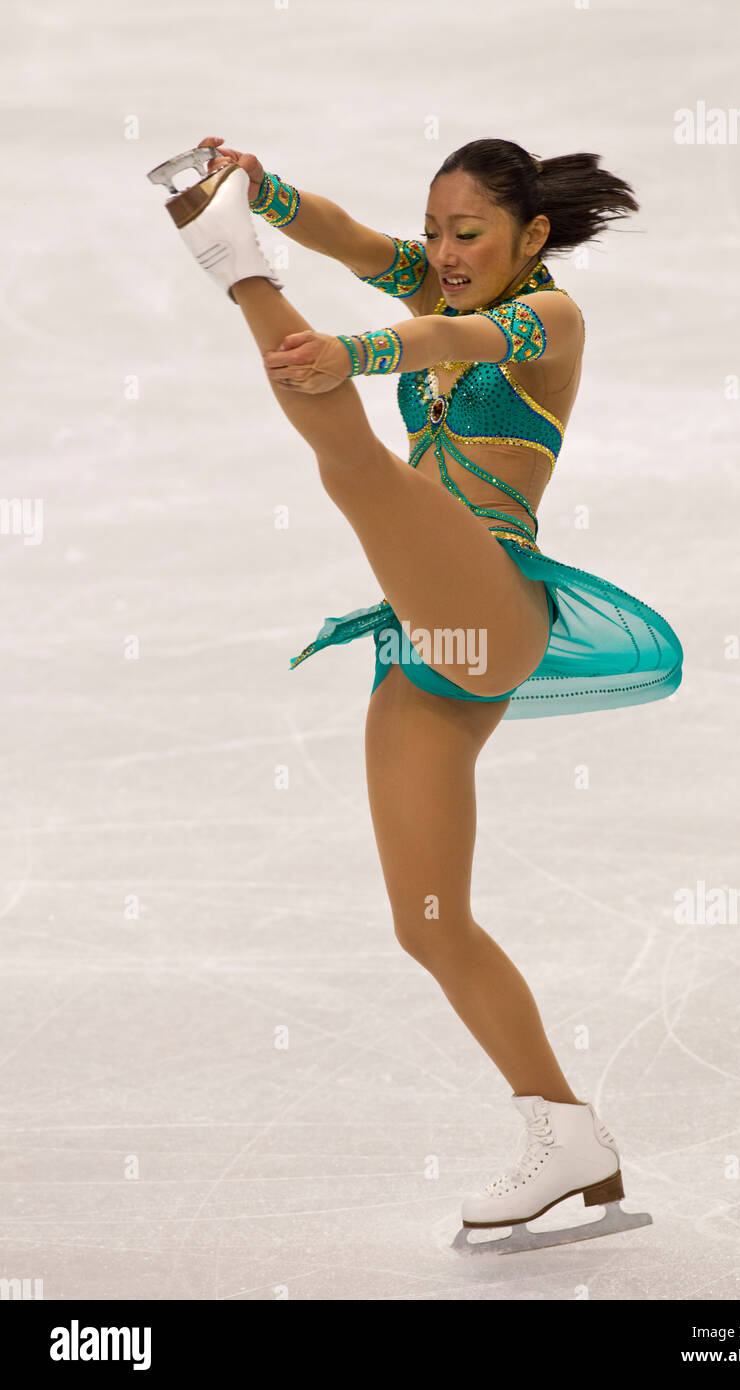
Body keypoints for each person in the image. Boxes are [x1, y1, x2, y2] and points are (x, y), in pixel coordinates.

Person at [149, 135, 682, 1247]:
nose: (441, 252)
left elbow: (448, 337)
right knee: (426, 920)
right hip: (423, 635)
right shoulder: (431, 267)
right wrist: (269, 184)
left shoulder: (549, 318)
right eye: (433, 231)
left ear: (528, 237)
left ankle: (228, 262)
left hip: (491, 603)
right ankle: (565, 1128)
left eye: (467, 232)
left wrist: (343, 349)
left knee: (351, 462)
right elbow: (351, 240)